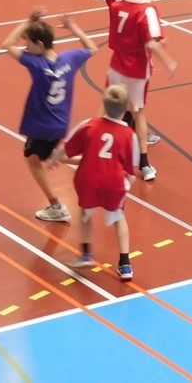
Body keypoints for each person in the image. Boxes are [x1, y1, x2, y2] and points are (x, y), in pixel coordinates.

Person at [2, 8, 98, 222]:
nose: (25, 47)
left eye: (28, 43)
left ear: (40, 44)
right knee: (52, 154)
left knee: (33, 159)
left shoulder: (36, 64)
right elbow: (92, 47)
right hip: (61, 123)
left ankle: (56, 206)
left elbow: (7, 44)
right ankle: (95, 161)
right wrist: (74, 27)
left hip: (41, 126)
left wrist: (28, 20)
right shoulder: (69, 58)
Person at [48, 84, 138, 281]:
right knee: (118, 217)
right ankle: (125, 264)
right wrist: (127, 184)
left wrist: (54, 160)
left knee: (85, 214)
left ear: (104, 105)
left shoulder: (89, 125)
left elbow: (66, 148)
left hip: (88, 179)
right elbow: (132, 167)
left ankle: (86, 254)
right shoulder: (129, 135)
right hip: (114, 182)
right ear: (125, 109)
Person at [108, 0, 176, 180]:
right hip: (136, 70)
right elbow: (152, 42)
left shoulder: (116, 7)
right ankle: (144, 164)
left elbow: (116, 37)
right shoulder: (148, 10)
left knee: (112, 110)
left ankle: (106, 152)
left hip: (116, 66)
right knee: (138, 112)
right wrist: (169, 61)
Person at [102, 0, 161, 146]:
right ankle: (125, 134)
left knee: (131, 96)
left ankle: (129, 130)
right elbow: (132, 7)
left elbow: (139, 7)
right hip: (124, 43)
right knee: (129, 96)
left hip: (135, 42)